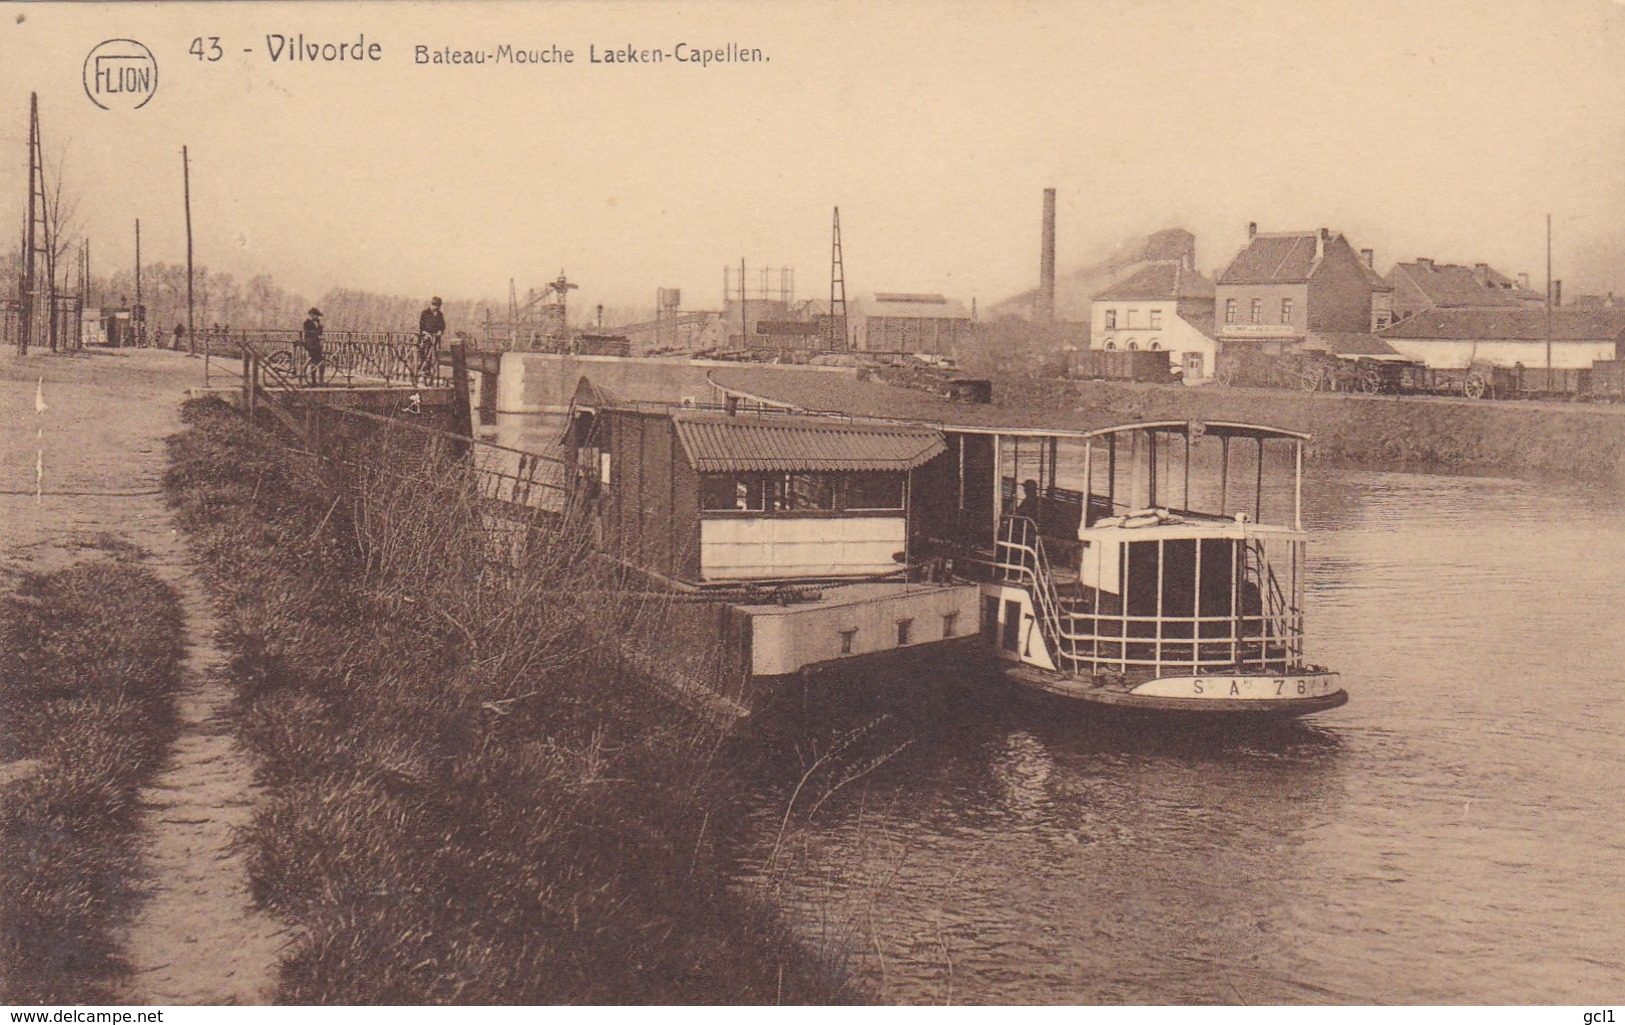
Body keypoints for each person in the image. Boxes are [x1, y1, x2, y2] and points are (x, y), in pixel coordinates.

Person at [417, 296, 445, 380]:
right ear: (431, 304)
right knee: (424, 350)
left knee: (434, 352)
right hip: (426, 336)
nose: (436, 307)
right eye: (434, 305)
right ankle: (421, 367)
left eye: (438, 305)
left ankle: (429, 370)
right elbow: (421, 326)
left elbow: (442, 325)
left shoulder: (440, 314)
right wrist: (425, 333)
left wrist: (440, 331)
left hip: (435, 336)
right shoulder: (425, 313)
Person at [301, 308, 325, 385]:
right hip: (311, 345)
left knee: (320, 362)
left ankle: (321, 380)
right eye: (315, 315)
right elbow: (308, 334)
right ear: (311, 315)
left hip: (317, 345)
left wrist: (320, 327)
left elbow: (320, 333)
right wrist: (317, 332)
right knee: (315, 362)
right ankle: (314, 381)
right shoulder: (307, 323)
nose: (317, 317)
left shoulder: (318, 322)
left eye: (317, 316)